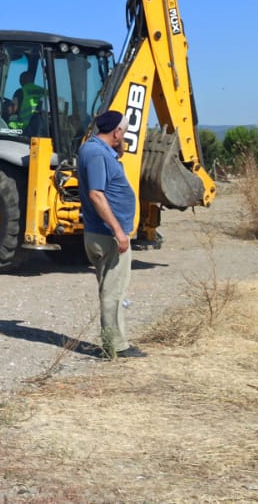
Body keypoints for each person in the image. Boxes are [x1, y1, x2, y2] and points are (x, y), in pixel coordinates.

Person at [77, 109, 145, 360]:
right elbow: (96, 193)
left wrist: (116, 153)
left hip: (101, 232)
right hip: (108, 235)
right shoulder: (96, 154)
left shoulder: (94, 149)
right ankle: (116, 346)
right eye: (123, 132)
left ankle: (113, 341)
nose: (124, 135)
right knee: (113, 291)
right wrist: (119, 230)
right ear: (116, 131)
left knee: (110, 288)